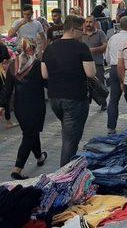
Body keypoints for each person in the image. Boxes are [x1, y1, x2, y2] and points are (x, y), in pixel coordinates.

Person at [41, 15, 96, 166]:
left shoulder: (50, 48)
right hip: (75, 98)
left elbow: (44, 74)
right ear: (72, 29)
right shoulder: (81, 47)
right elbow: (91, 73)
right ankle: (63, 175)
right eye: (81, 30)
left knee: (68, 133)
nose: (83, 33)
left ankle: (69, 170)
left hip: (54, 98)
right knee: (70, 141)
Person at [0, 38, 48, 180]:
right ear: (32, 49)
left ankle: (39, 156)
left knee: (31, 132)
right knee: (29, 135)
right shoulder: (38, 65)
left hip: (20, 108)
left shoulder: (13, 65)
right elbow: (47, 83)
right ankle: (17, 169)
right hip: (36, 106)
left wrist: (2, 105)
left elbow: (7, 88)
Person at [105, 16, 127, 134]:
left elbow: (106, 56)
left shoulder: (112, 38)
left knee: (113, 99)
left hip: (114, 69)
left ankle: (111, 126)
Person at [82, 15, 108, 110]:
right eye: (87, 22)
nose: (88, 24)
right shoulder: (81, 34)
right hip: (83, 64)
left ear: (95, 23)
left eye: (90, 22)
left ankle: (103, 102)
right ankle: (86, 103)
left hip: (97, 63)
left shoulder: (100, 33)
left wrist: (92, 50)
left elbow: (105, 46)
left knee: (100, 84)